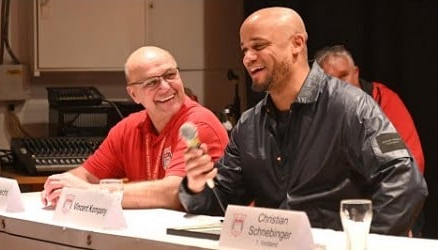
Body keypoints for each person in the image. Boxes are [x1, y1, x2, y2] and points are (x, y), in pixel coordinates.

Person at [178, 7, 428, 236]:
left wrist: (362, 241)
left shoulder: (352, 107)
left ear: (297, 44)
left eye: (259, 46)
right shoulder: (248, 126)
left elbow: (405, 183)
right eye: (244, 50)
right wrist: (197, 186)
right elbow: (221, 203)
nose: (248, 58)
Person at [41, 46, 229, 210]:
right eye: (152, 82)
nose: (165, 87)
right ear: (134, 94)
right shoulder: (129, 127)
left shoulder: (197, 124)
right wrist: (58, 185)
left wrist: (94, 192)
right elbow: (86, 176)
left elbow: (174, 192)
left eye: (170, 75)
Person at [314, 45, 425, 174]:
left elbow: (412, 160)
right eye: (330, 80)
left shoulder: (383, 100)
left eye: (344, 75)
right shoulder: (314, 112)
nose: (339, 85)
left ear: (356, 73)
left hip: (382, 188)